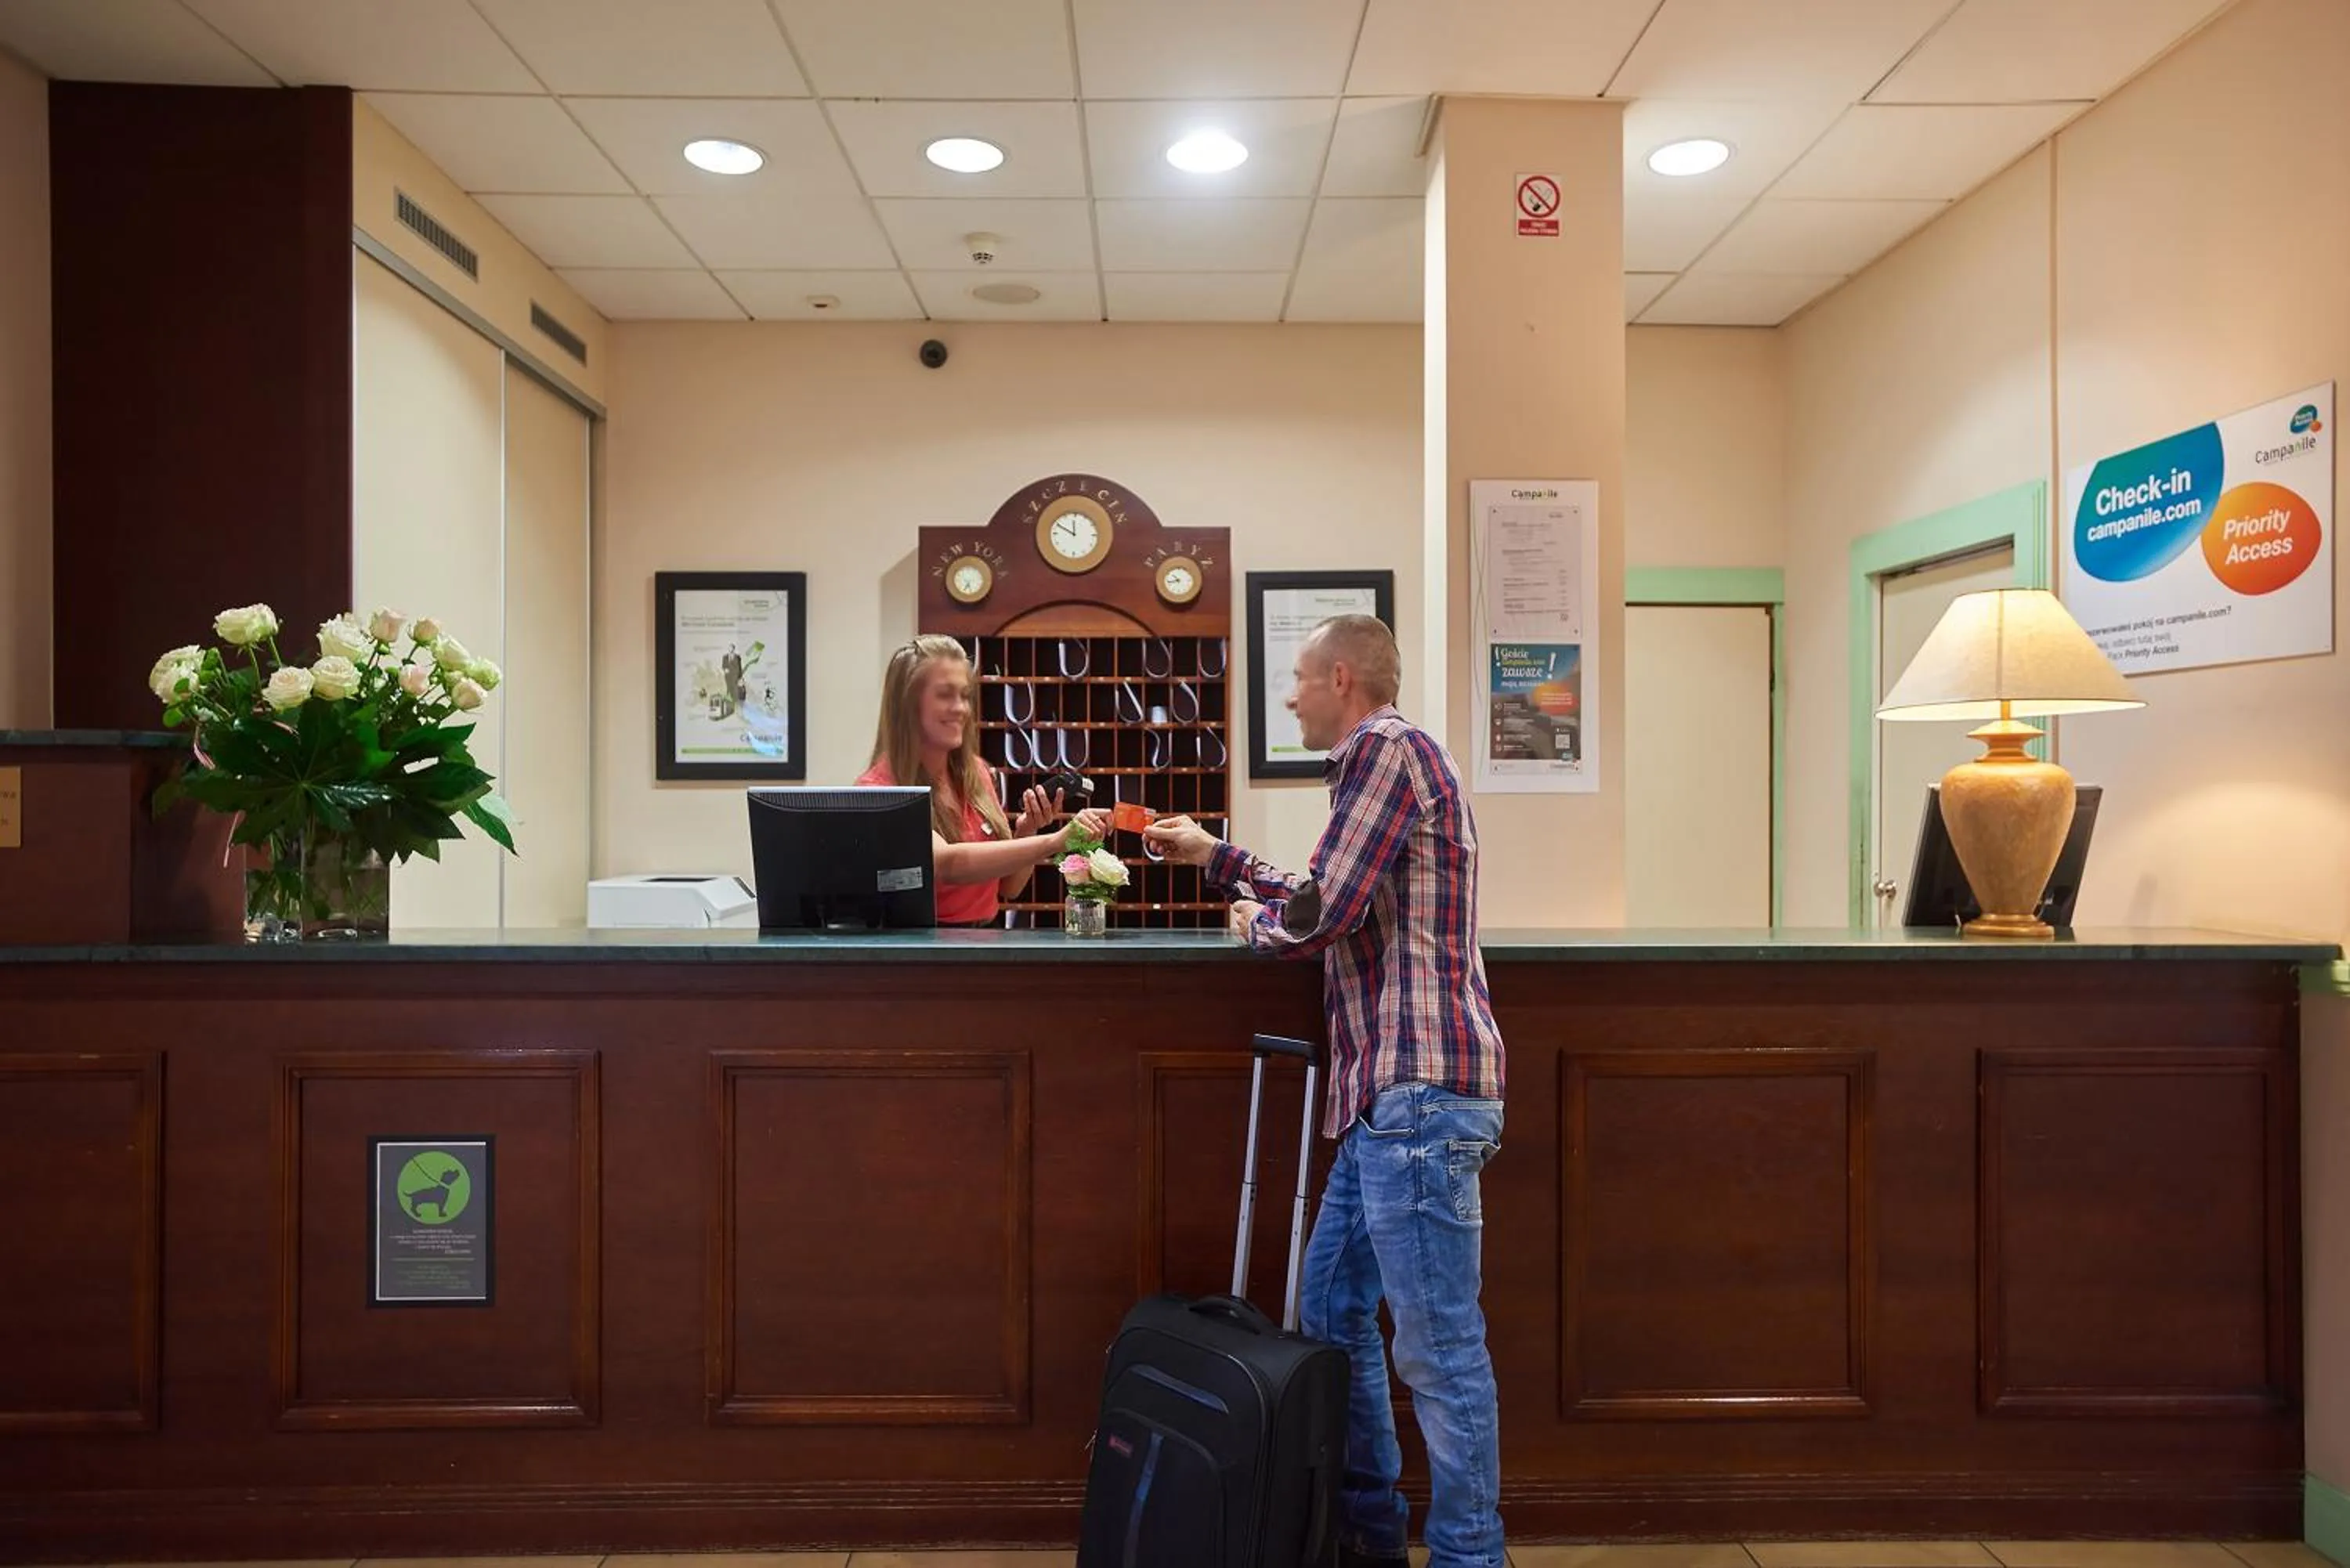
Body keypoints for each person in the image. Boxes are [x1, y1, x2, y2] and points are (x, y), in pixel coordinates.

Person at [1144, 614, 1507, 1568]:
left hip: (1420, 1095)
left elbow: (1318, 913)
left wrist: (1249, 927)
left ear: (1342, 677)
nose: (1293, 696)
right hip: (1385, 1103)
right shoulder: (1382, 763)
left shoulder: (1384, 749)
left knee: (1437, 1348)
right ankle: (1370, 1529)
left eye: (1300, 680)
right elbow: (1326, 889)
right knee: (1335, 1309)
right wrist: (1217, 857)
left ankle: (1472, 1555)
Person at [861, 634, 1108, 927]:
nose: (961, 708)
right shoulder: (879, 791)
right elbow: (946, 864)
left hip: (982, 942)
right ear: (907, 705)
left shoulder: (976, 773)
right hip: (922, 955)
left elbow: (1009, 888)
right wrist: (1056, 841)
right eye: (945, 694)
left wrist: (1027, 829)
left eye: (965, 696)